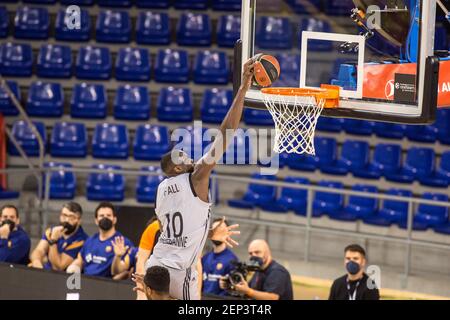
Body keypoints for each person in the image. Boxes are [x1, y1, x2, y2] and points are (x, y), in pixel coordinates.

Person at [144, 58, 255, 300]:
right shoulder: (196, 177)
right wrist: (243, 88)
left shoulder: (162, 189)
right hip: (178, 271)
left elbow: (170, 228)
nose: (189, 156)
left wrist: (206, 232)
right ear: (175, 169)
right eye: (182, 156)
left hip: (155, 264)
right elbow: (226, 133)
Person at [66, 202, 134, 278]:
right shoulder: (90, 241)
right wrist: (73, 267)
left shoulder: (123, 242)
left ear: (114, 219)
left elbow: (126, 271)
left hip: (108, 286)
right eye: (101, 216)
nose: (105, 218)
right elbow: (80, 260)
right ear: (96, 220)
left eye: (108, 215)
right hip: (85, 282)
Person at [220, 239, 293, 300]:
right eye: (251, 253)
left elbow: (272, 297)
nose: (253, 256)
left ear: (267, 252)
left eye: (257, 252)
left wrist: (248, 291)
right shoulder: (259, 271)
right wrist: (230, 286)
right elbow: (248, 291)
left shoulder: (277, 271)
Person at [30, 202, 88, 271]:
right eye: (64, 215)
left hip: (62, 277)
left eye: (71, 217)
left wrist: (53, 241)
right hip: (45, 271)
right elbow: (38, 251)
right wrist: (37, 263)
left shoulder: (82, 240)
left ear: (79, 221)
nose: (66, 220)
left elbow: (58, 266)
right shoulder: (51, 231)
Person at [202, 218, 238, 296]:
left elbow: (234, 288)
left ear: (227, 233)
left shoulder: (232, 260)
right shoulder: (205, 258)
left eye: (221, 229)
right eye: (215, 230)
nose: (218, 232)